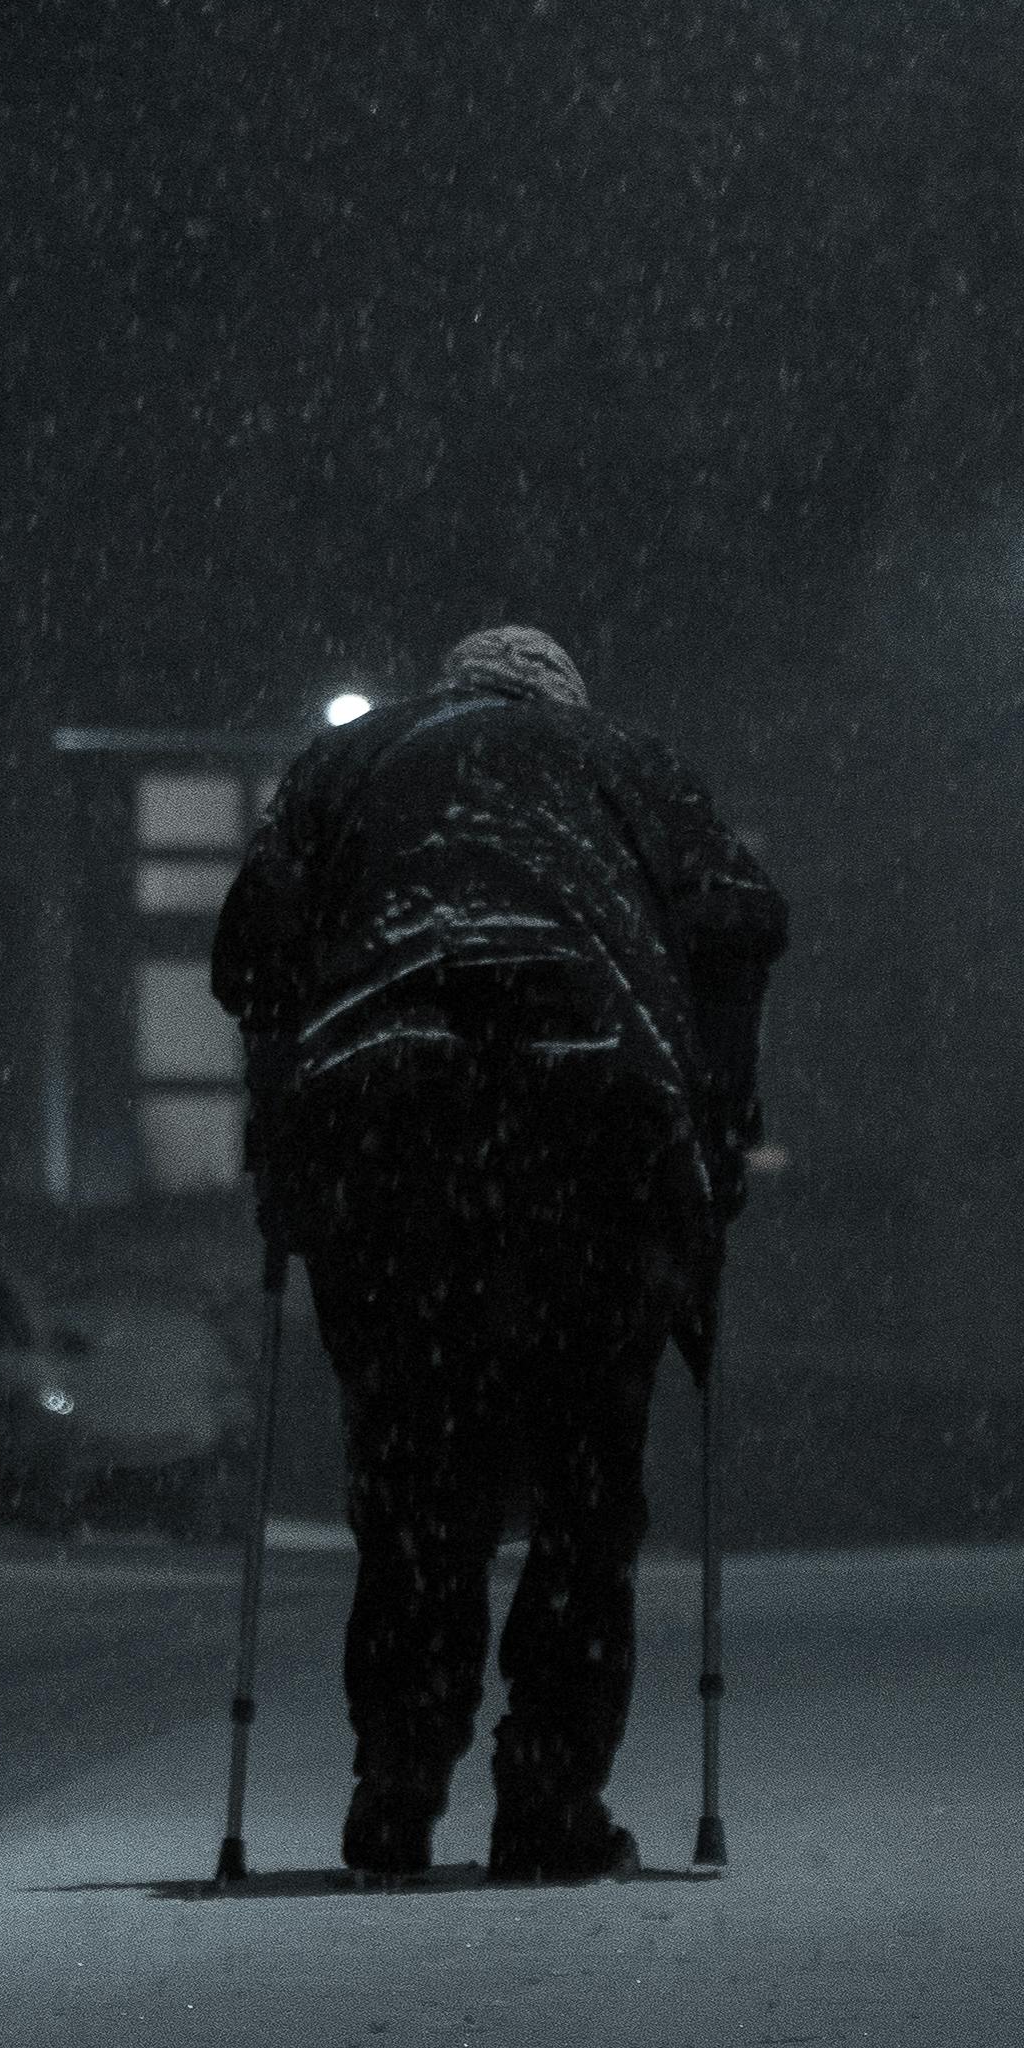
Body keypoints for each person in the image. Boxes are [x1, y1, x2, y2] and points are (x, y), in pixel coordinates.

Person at [210, 624, 787, 1883]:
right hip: (595, 1114)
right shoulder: (625, 762)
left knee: (416, 1473)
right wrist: (722, 1119)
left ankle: (395, 1790)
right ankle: (547, 1799)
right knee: (588, 1476)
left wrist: (280, 1121)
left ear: (455, 687)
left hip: (388, 1113)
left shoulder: (347, 761)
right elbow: (736, 919)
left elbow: (249, 942)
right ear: (563, 699)